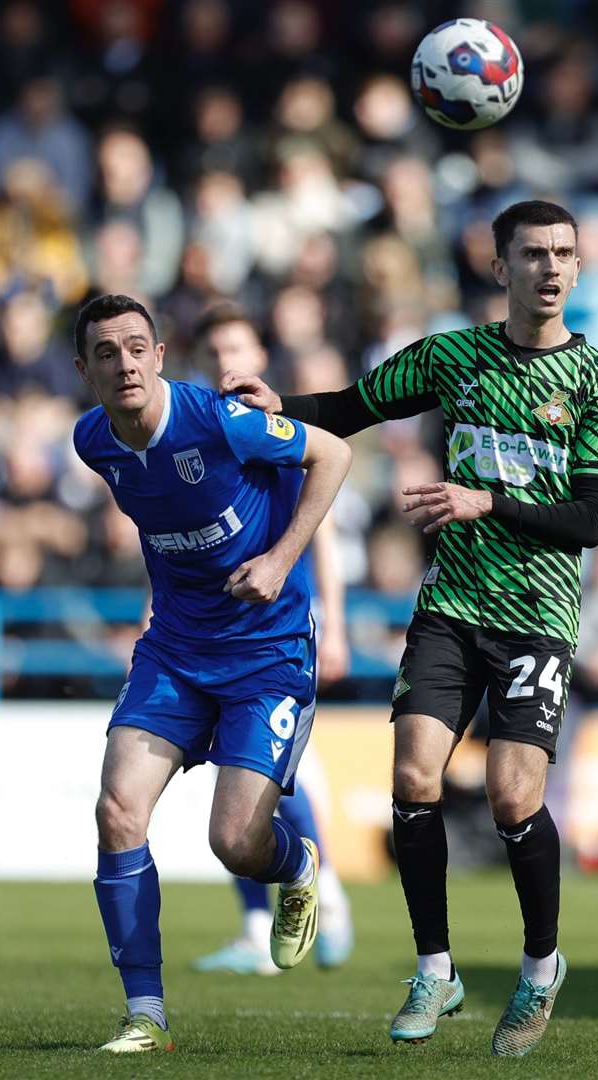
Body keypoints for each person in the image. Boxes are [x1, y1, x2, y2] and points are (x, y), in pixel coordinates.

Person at [221, 200, 598, 1057]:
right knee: (414, 777)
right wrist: (275, 404)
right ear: (500, 268)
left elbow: (592, 519)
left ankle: (539, 967)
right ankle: (436, 970)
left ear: (580, 269)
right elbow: (351, 405)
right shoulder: (456, 357)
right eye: (533, 255)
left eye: (564, 254)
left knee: (517, 794)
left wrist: (488, 501)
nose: (551, 269)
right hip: (452, 605)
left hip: (537, 618)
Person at [71, 294, 352, 1053]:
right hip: (175, 651)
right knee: (116, 812)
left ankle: (295, 865)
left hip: (267, 651)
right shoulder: (92, 441)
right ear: (85, 369)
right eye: (106, 352)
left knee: (235, 842)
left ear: (160, 356)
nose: (124, 363)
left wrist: (281, 558)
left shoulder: (219, 419)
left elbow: (335, 454)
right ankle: (145, 1015)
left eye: (137, 347)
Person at [189, 306, 354, 976]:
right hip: (215, 631)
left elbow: (328, 538)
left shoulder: (286, 431)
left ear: (261, 350)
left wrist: (335, 625)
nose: (229, 360)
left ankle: (326, 892)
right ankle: (260, 926)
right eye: (217, 350)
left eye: (239, 345)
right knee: (238, 780)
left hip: (282, 630)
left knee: (275, 778)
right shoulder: (201, 428)